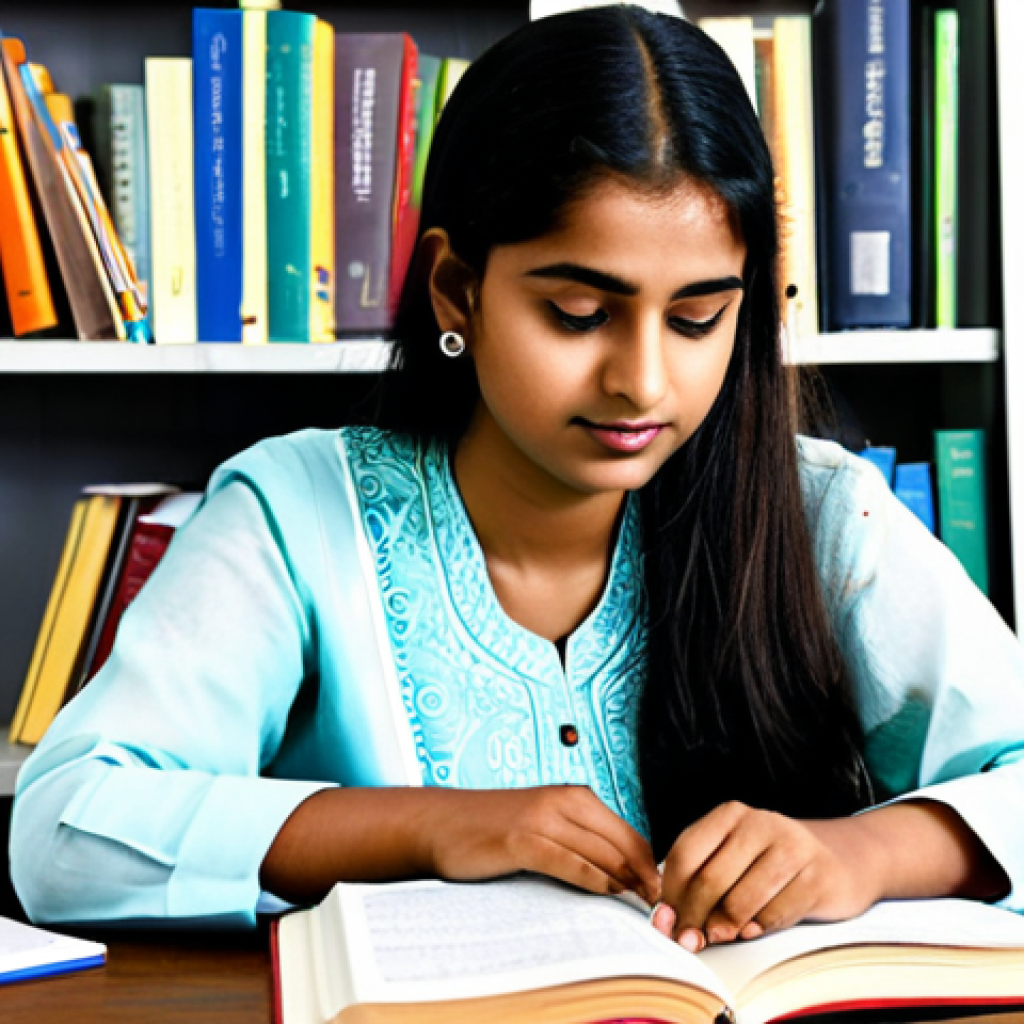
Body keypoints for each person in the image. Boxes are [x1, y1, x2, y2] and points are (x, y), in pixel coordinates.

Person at [10, 7, 1023, 949]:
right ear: (457, 285)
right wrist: (429, 828)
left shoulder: (820, 515)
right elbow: (64, 829)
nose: (641, 381)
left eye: (697, 318)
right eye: (579, 313)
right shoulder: (293, 515)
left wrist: (861, 853)